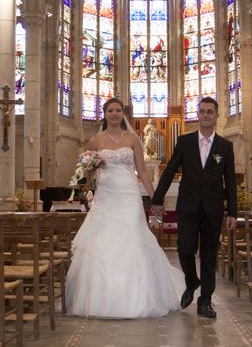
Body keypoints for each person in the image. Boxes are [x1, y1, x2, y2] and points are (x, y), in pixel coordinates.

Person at [65, 97, 184, 318]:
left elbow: (142, 170)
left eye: (118, 110)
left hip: (129, 196)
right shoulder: (95, 140)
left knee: (132, 240)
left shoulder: (132, 139)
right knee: (104, 243)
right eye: (110, 110)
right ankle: (104, 297)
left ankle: (137, 296)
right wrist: (89, 176)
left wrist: (155, 197)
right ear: (105, 113)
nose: (114, 114)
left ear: (123, 114)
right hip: (106, 197)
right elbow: (87, 174)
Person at [151, 97, 237, 318]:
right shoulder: (184, 141)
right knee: (185, 249)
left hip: (213, 207)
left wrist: (232, 212)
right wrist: (157, 199)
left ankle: (205, 300)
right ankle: (192, 281)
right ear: (198, 115)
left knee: (209, 254)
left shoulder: (225, 147)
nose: (206, 115)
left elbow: (230, 181)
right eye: (202, 111)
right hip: (188, 205)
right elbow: (169, 171)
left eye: (210, 111)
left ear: (216, 116)